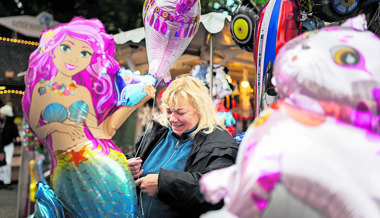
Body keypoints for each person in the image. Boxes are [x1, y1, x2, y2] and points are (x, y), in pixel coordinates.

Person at [22, 17, 155, 217]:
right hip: (71, 171)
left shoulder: (83, 92)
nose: (74, 59)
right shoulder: (41, 91)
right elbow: (38, 128)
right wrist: (56, 127)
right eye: (66, 48)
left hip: (108, 169)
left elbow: (104, 131)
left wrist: (136, 101)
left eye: (84, 53)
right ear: (53, 49)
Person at [127, 75, 239, 218]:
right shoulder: (154, 135)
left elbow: (217, 191)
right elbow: (134, 157)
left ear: (200, 110)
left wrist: (164, 184)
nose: (172, 119)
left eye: (180, 113)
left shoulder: (220, 143)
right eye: (168, 111)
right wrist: (126, 166)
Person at [0, 104, 20, 190]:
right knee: (1, 164)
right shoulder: (1, 122)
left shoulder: (11, 124)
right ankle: (1, 180)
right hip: (1, 146)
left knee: (7, 163)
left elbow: (16, 133)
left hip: (8, 146)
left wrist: (17, 137)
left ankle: (7, 181)